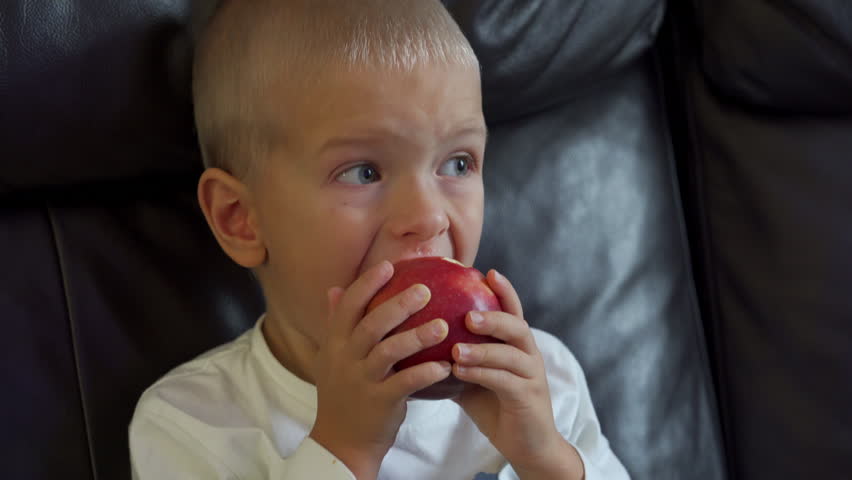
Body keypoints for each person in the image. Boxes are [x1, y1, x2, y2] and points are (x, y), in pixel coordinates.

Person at [129, 1, 630, 479]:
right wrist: (346, 452)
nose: (428, 216)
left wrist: (548, 459)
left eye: (457, 163)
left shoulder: (541, 380)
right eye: (363, 172)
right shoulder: (192, 425)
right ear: (242, 219)